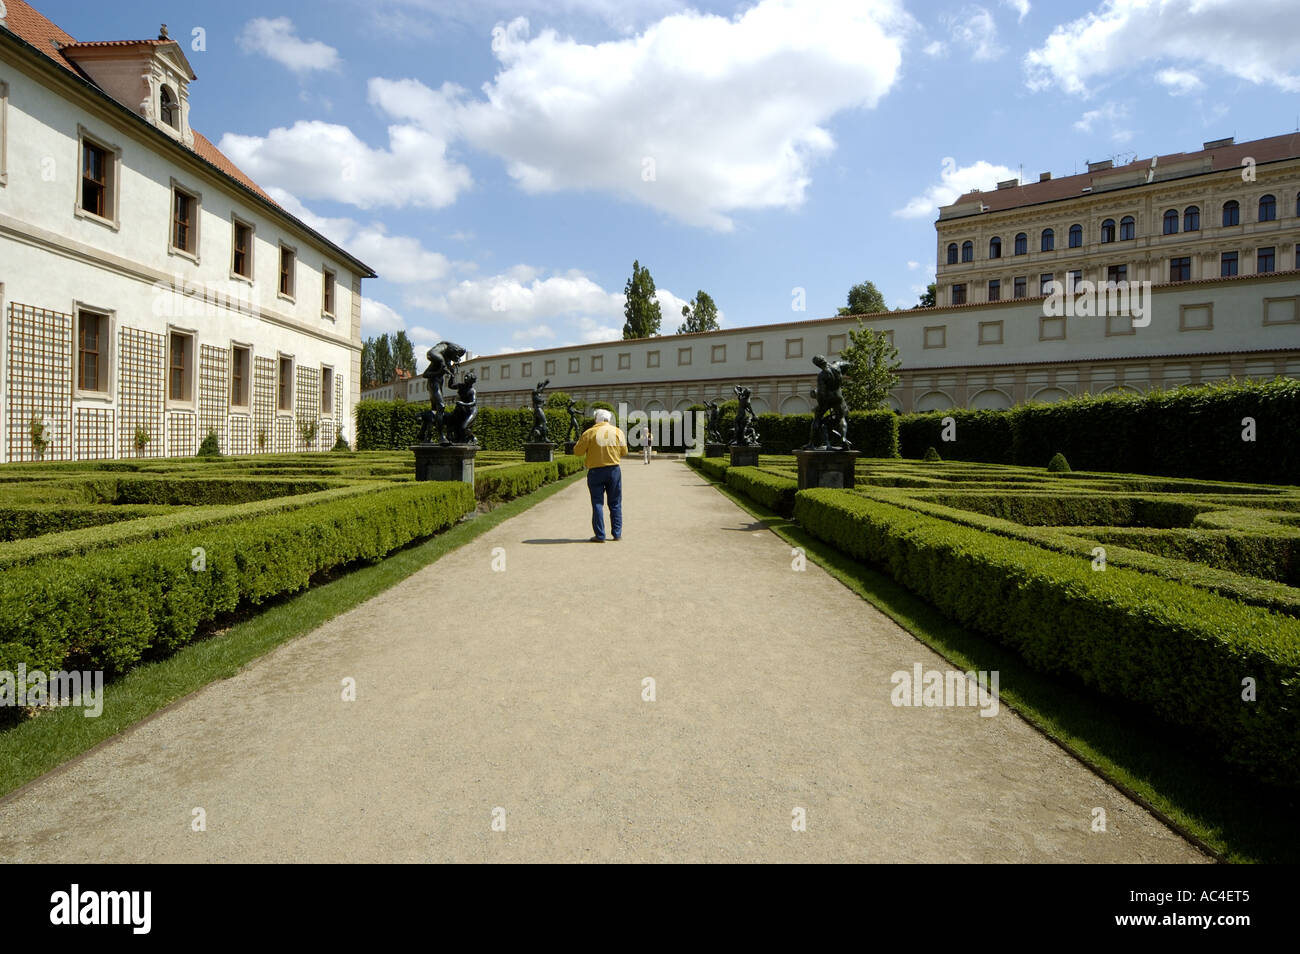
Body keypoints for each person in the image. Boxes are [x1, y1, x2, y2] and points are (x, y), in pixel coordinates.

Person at [573, 408, 628, 542]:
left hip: (596, 471)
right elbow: (624, 452)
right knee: (615, 503)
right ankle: (617, 533)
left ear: (596, 419)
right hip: (614, 470)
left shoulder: (590, 432)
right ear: (609, 419)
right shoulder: (617, 432)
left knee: (597, 503)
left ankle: (600, 535)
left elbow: (577, 452)